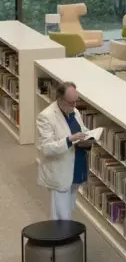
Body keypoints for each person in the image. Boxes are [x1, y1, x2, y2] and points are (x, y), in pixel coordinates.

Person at [36, 81, 94, 220]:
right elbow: (47, 149)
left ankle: (67, 237)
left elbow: (82, 130)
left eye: (76, 101)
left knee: (69, 209)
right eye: (71, 102)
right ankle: (60, 240)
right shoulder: (46, 117)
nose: (74, 106)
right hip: (60, 172)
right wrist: (69, 140)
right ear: (60, 99)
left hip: (77, 168)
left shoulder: (74, 111)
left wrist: (89, 137)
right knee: (60, 215)